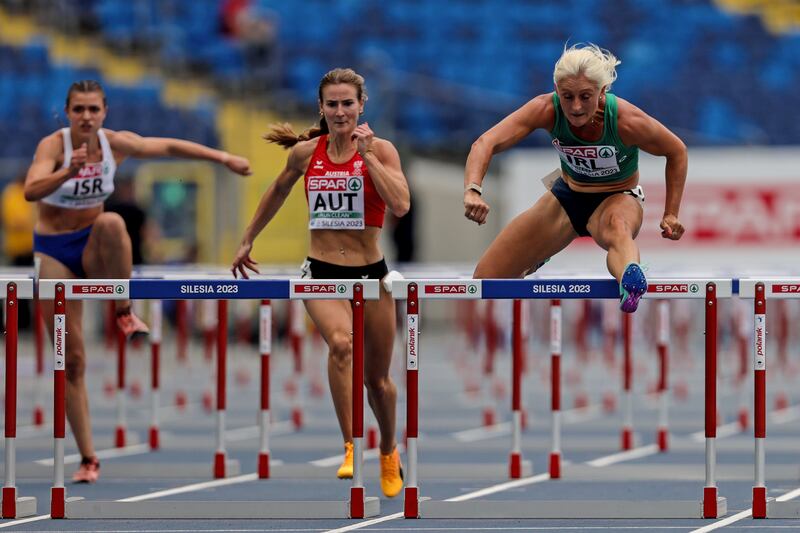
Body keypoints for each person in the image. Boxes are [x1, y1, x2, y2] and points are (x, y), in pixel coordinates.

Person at [25, 80, 252, 483]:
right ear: (67, 112)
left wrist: (223, 157)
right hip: (54, 252)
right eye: (78, 110)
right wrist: (68, 171)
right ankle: (88, 457)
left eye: (93, 109)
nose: (86, 117)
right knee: (71, 361)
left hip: (92, 247)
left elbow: (166, 147)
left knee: (112, 220)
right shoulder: (53, 146)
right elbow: (30, 190)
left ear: (105, 112)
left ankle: (124, 311)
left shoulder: (115, 144)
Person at [231, 68, 408, 498]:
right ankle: (351, 445)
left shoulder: (382, 150)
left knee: (379, 383)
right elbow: (276, 192)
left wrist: (366, 158)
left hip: (372, 275)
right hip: (322, 272)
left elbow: (401, 204)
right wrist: (248, 238)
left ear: (362, 106)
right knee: (341, 345)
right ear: (321, 108)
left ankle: (387, 449)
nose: (341, 111)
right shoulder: (306, 154)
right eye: (333, 104)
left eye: (348, 103)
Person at [464, 43, 687, 312]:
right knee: (485, 280)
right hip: (567, 197)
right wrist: (473, 190)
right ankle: (539, 255)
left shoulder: (627, 121)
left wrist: (671, 213)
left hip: (617, 197)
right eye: (567, 97)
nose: (576, 107)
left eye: (585, 96)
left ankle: (631, 278)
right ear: (557, 90)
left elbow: (676, 150)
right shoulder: (545, 108)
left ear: (602, 92)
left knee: (618, 227)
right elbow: (485, 143)